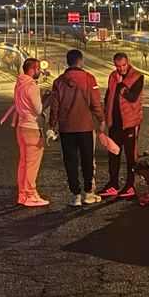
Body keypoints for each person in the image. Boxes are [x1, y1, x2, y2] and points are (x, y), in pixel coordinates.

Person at [49, 49, 106, 207]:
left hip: (66, 128)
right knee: (87, 159)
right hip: (85, 126)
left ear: (68, 62)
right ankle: (88, 192)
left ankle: (75, 195)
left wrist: (52, 125)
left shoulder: (59, 81)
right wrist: (101, 119)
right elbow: (95, 103)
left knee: (70, 161)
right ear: (80, 61)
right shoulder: (89, 79)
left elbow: (55, 107)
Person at [100, 52, 145, 199]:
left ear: (128, 62)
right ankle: (113, 184)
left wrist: (121, 84)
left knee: (130, 156)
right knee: (113, 154)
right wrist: (105, 117)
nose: (121, 69)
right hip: (115, 123)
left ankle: (130, 185)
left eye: (123, 65)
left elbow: (132, 97)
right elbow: (109, 97)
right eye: (118, 66)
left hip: (130, 123)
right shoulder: (112, 76)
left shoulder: (137, 76)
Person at [14, 58, 50, 207]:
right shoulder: (31, 86)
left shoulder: (19, 84)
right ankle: (30, 194)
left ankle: (22, 193)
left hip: (21, 127)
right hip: (32, 128)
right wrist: (46, 99)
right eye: (38, 69)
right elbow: (38, 109)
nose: (39, 71)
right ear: (33, 69)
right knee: (31, 165)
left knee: (23, 163)